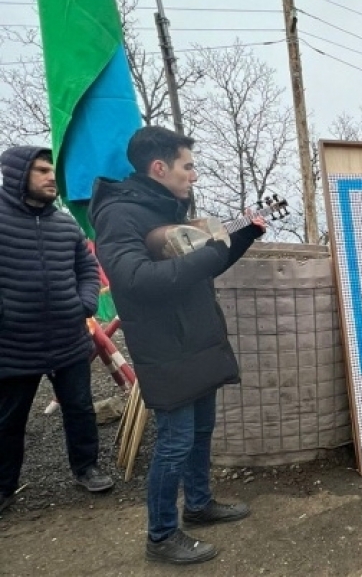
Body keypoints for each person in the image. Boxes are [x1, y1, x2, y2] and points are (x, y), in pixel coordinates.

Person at [89, 126, 266, 564]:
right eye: (188, 166)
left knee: (201, 431)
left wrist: (242, 236)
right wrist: (210, 253)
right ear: (159, 167)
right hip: (166, 347)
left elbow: (198, 265)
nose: (194, 175)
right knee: (174, 443)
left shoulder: (166, 208)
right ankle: (162, 535)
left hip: (195, 339)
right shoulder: (120, 215)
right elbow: (135, 280)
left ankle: (199, 505)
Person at [0, 146, 114, 516]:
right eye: (41, 171)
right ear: (18, 175)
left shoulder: (65, 225)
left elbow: (87, 268)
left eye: (52, 171)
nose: (51, 178)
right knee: (8, 420)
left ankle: (86, 468)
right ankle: (3, 485)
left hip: (68, 340)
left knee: (79, 408)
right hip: (14, 344)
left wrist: (85, 303)